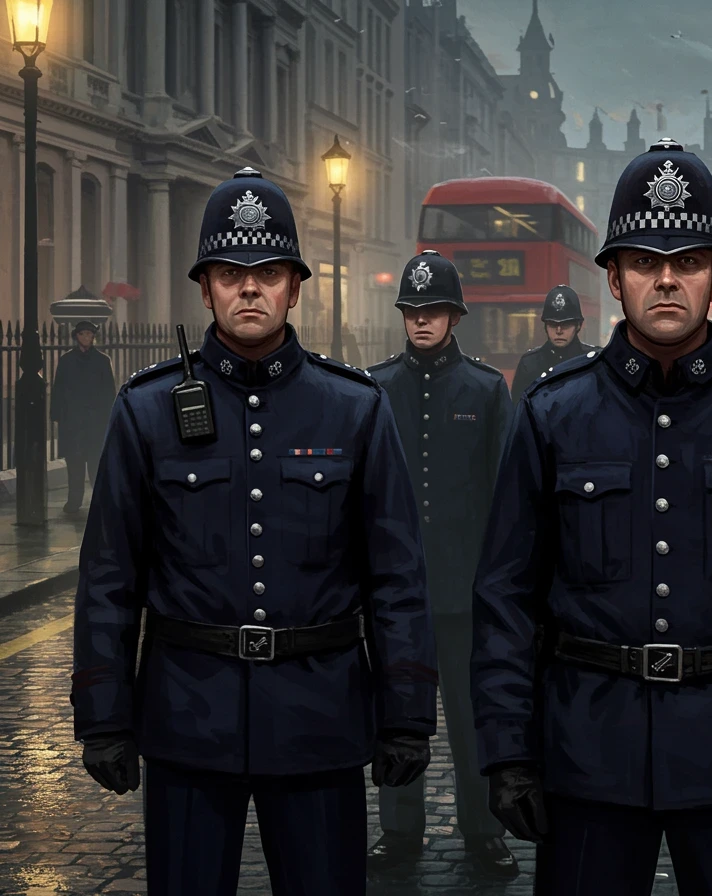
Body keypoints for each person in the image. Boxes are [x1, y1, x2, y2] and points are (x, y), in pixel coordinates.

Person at [471, 138, 712, 895]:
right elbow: (507, 597)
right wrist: (508, 750)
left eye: (688, 261)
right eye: (646, 261)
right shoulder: (553, 414)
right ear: (614, 277)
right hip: (590, 753)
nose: (667, 279)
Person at [70, 167, 437, 896]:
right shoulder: (146, 409)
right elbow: (110, 576)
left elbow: (396, 576)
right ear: (204, 288)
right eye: (230, 274)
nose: (248, 289)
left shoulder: (354, 408)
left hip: (319, 720)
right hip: (187, 720)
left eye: (267, 273)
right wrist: (104, 715)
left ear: (294, 287)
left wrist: (405, 713)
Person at [366, 251, 517, 878]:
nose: (422, 320)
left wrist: (497, 585)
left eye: (433, 310)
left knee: (471, 717)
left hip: (464, 586)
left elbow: (505, 495)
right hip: (396, 590)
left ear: (455, 316)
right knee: (397, 714)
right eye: (413, 310)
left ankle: (483, 829)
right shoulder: (376, 387)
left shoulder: (484, 389)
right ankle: (400, 830)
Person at [50, 319, 117, 513]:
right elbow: (58, 388)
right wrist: (56, 414)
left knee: (96, 463)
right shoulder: (66, 360)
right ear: (76, 337)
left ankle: (99, 500)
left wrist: (110, 416)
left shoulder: (102, 360)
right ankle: (74, 500)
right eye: (82, 334)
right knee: (74, 463)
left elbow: (109, 392)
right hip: (73, 421)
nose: (86, 337)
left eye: (89, 334)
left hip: (96, 421)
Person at [510, 285, 597, 399]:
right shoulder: (529, 363)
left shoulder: (595, 361)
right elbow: (518, 406)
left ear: (578, 325)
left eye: (565, 324)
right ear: (545, 326)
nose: (559, 331)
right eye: (552, 324)